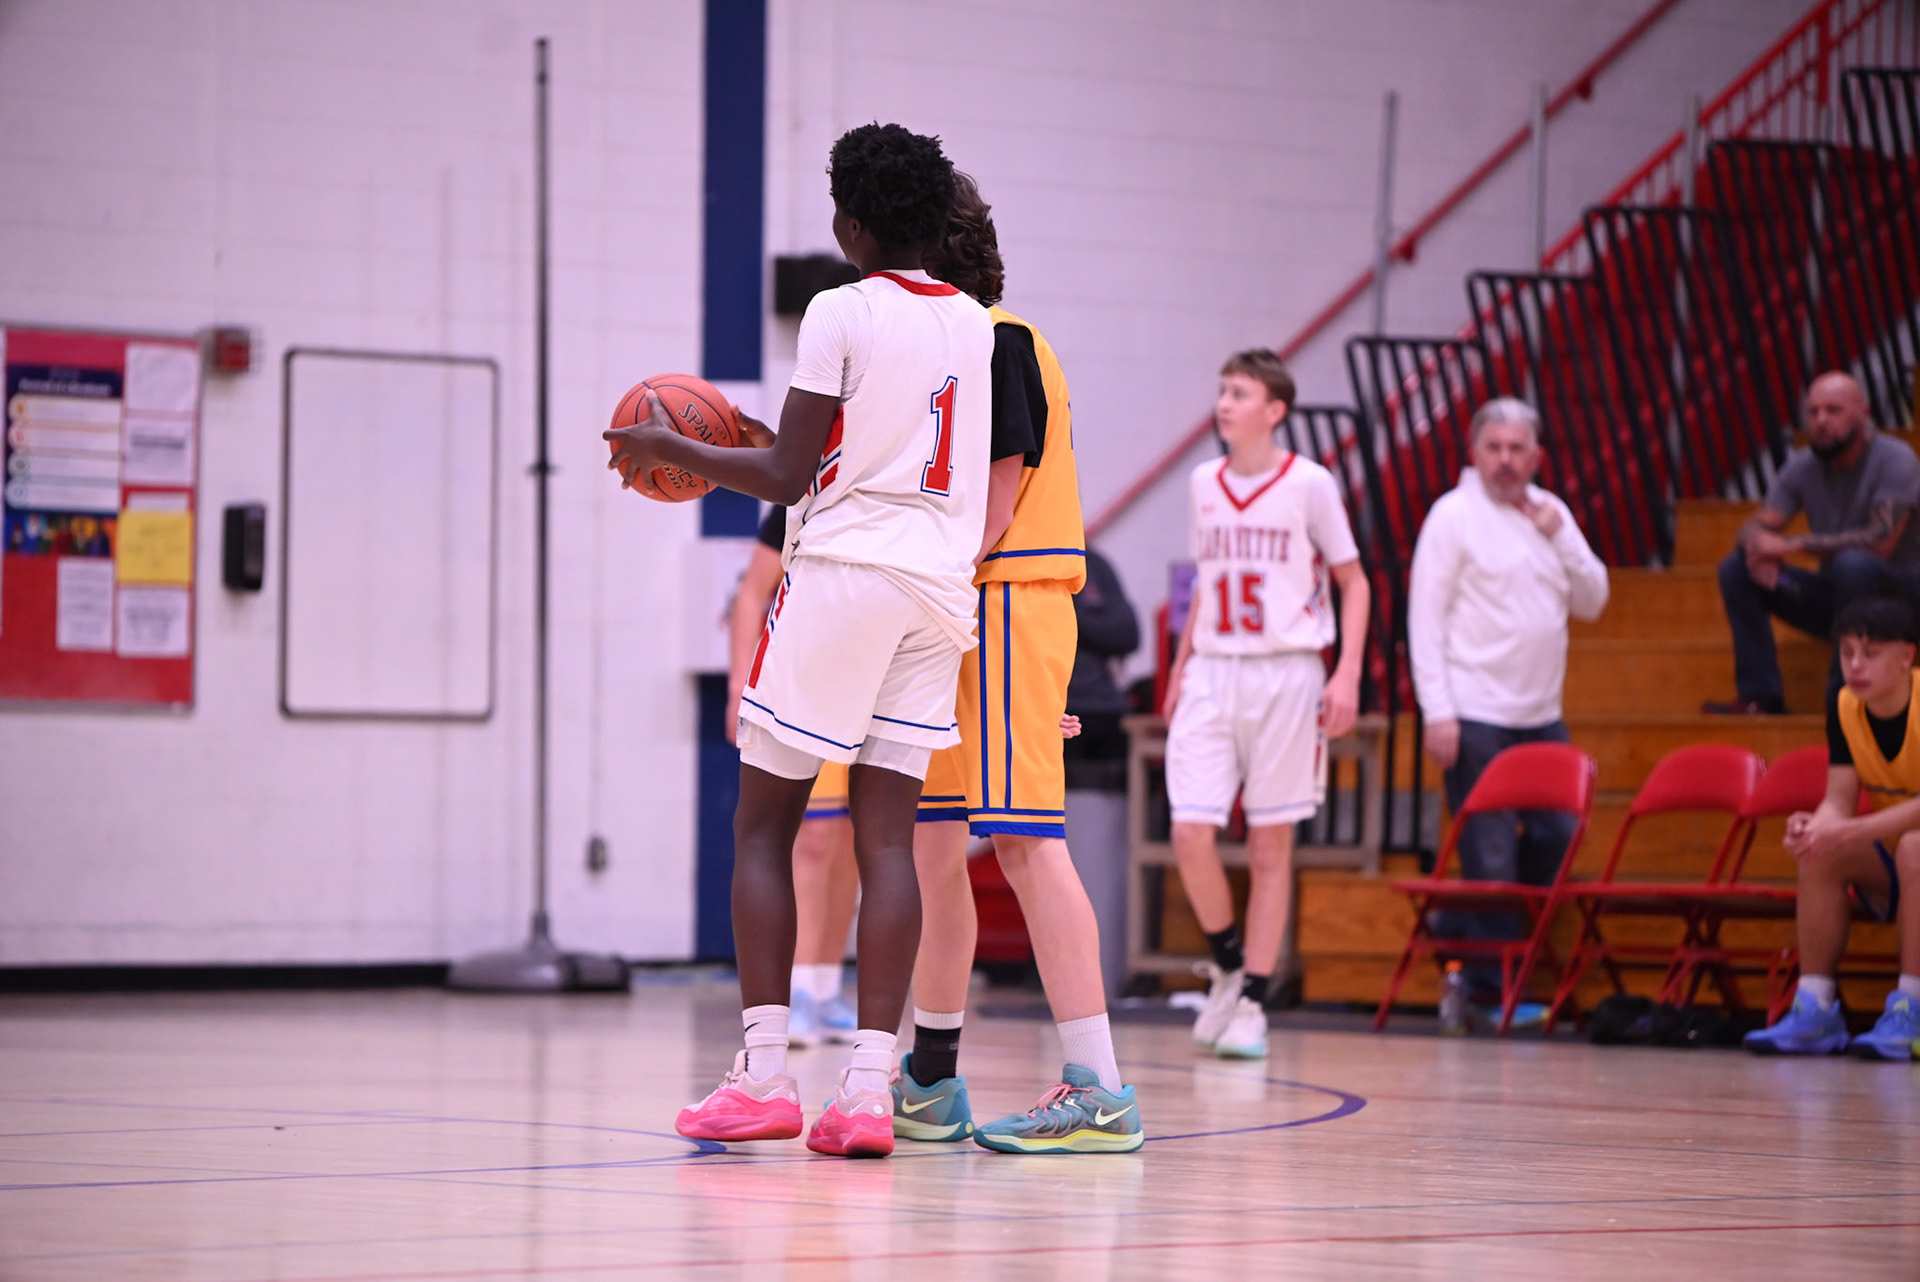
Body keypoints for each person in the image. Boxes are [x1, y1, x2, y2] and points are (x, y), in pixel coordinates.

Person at [607, 122, 991, 1158]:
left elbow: (784, 478)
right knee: (886, 841)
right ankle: (867, 1091)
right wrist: (760, 441)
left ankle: (766, 1075)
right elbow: (866, 457)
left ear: (853, 223)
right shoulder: (974, 323)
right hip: (935, 593)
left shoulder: (840, 309)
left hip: (845, 582)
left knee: (762, 827)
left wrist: (669, 445)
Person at [895, 174, 1146, 1154]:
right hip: (966, 609)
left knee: (1027, 843)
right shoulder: (963, 346)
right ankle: (931, 1078)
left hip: (1002, 597)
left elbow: (999, 494)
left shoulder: (1000, 341)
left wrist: (924, 583)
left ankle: (1100, 1088)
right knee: (932, 846)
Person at [1163, 349, 1371, 1059]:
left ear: (1275, 410)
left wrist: (1347, 674)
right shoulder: (1203, 482)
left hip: (1288, 672)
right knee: (1190, 830)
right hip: (1213, 670)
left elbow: (1355, 581)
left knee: (1268, 842)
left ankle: (1252, 997)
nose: (1224, 403)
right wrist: (1180, 666)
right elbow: (1206, 581)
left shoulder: (1311, 484)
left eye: (1240, 393)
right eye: (1222, 390)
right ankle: (1227, 961)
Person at [1407, 397, 1609, 1020]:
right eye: (1493, 448)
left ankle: (1459, 928)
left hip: (1541, 714)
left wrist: (1561, 535)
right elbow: (1424, 618)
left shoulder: (1552, 514)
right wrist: (1437, 710)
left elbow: (1594, 600)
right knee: (1489, 852)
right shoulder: (1452, 516)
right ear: (1474, 452)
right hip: (1473, 713)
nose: (1504, 460)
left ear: (1537, 456)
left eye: (1517, 449)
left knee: (1560, 834)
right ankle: (1491, 990)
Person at [1743, 595, 1920, 1060]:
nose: (1855, 665)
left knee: (1914, 847)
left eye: (1870, 653)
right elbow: (1839, 801)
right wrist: (1815, 827)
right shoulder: (1844, 705)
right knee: (1822, 849)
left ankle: (1912, 1007)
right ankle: (1816, 1007)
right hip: (1899, 857)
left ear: (1906, 656)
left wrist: (1852, 831)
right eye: (1847, 653)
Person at [1706, 371, 1920, 715]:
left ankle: (1842, 699)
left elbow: (1879, 541)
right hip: (1840, 600)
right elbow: (1755, 525)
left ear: (1863, 413)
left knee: (1853, 565)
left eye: (1833, 410)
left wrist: (1790, 546)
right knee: (1736, 569)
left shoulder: (1895, 459)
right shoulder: (1803, 466)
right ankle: (1760, 698)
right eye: (1813, 411)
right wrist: (1757, 546)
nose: (1821, 421)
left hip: (1904, 601)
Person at [726, 505, 860, 1047]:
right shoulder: (799, 496)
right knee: (813, 837)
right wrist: (739, 683)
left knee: (852, 843)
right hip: (804, 679)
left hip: (868, 676)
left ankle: (826, 988)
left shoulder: (882, 497)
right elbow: (750, 594)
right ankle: (798, 988)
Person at [1063, 546, 1141, 776]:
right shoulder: (1022, 562)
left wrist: (1070, 616)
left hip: (1102, 704)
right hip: (1052, 704)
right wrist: (1093, 624)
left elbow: (1128, 633)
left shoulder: (1093, 563)